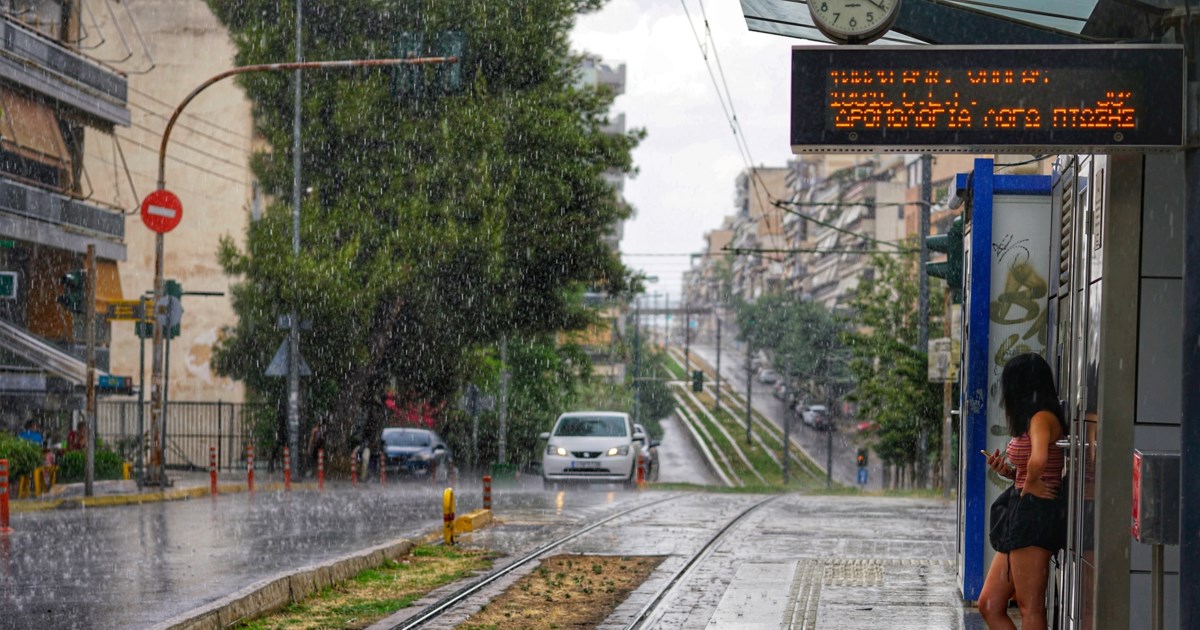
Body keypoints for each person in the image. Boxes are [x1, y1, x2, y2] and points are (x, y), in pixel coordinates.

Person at [979, 353, 1068, 630]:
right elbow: (1033, 464)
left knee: (1031, 607)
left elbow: (1039, 459)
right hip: (1023, 512)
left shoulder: (1041, 418)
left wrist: (1028, 483)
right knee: (990, 603)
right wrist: (1009, 473)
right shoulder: (1034, 418)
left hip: (1035, 515)